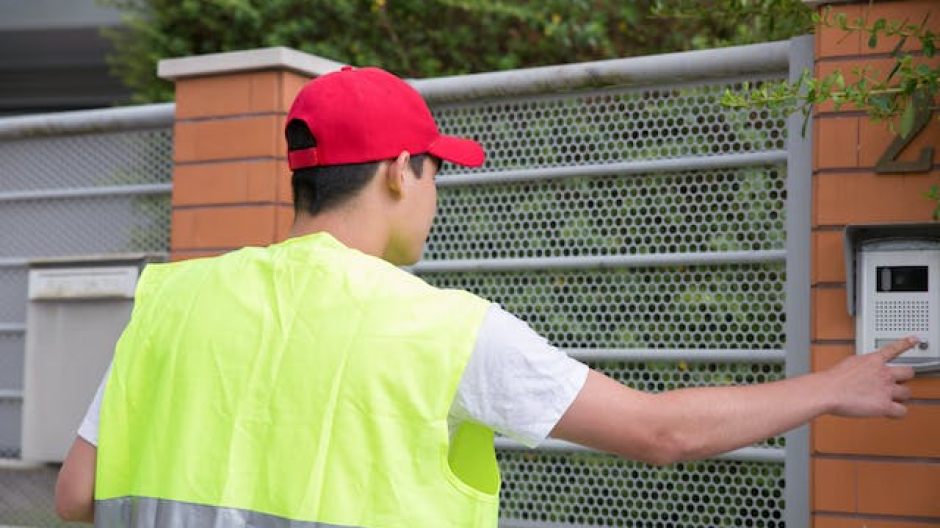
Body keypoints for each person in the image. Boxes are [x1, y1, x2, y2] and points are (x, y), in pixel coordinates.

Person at [55, 66, 917, 527]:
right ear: (400, 172)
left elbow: (76, 496)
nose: (436, 195)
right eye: (436, 172)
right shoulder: (443, 330)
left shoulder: (172, 301)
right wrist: (836, 386)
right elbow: (662, 432)